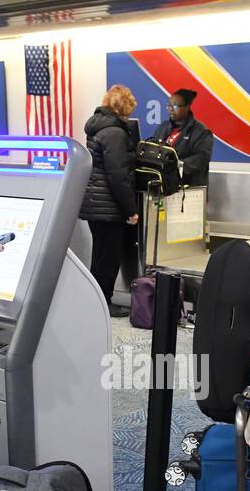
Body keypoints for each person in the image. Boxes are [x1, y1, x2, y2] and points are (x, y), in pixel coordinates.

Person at [81, 84, 139, 318]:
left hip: (95, 203)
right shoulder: (115, 133)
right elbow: (118, 175)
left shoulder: (97, 127)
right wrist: (130, 209)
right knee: (109, 257)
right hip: (108, 205)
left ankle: (95, 300)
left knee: (100, 255)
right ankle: (103, 302)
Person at [152, 88, 214, 188]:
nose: (171, 109)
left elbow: (201, 159)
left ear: (187, 107)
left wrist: (175, 166)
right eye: (169, 105)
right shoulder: (163, 127)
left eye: (175, 105)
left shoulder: (201, 132)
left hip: (190, 188)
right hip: (164, 187)